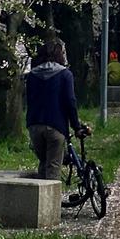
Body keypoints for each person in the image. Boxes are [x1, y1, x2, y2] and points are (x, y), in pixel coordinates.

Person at [23, 36, 82, 181]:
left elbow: (29, 100)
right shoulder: (65, 75)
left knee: (44, 163)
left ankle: (38, 201)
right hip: (56, 125)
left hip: (34, 125)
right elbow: (70, 101)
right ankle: (51, 203)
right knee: (53, 167)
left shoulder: (32, 75)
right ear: (60, 55)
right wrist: (76, 126)